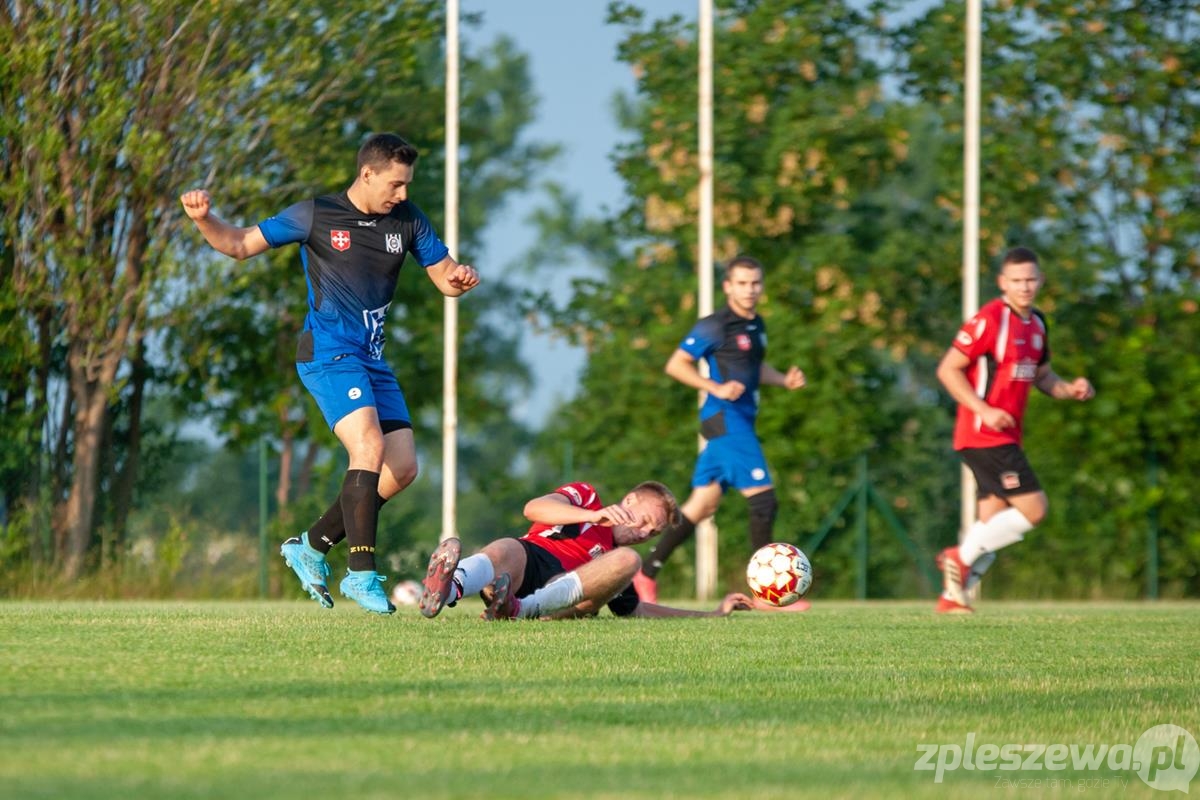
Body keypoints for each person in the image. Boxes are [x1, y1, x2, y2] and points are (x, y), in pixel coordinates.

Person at [180, 133, 480, 614]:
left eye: (407, 184)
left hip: (372, 359)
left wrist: (459, 278)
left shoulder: (408, 219)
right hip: (328, 353)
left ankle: (310, 547)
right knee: (369, 446)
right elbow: (238, 244)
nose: (402, 193)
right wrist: (203, 219)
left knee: (402, 468)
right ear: (367, 174)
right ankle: (361, 573)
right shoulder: (316, 215)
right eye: (395, 184)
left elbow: (444, 276)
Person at [632, 256, 809, 612]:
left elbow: (753, 367)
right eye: (742, 283)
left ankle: (645, 573)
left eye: (755, 283)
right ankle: (766, 596)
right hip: (726, 420)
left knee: (702, 505)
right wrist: (715, 387)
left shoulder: (756, 324)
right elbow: (676, 364)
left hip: (733, 422)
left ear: (761, 285)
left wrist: (783, 380)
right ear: (727, 286)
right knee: (764, 501)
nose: (749, 290)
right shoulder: (715, 325)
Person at [934, 246, 1094, 614]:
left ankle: (953, 596)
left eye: (1030, 280)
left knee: (991, 520)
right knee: (1034, 510)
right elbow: (947, 369)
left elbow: (1043, 377)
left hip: (1005, 436)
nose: (1024, 287)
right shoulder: (989, 320)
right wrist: (984, 410)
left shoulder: (1037, 324)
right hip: (983, 434)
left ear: (1041, 280)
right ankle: (958, 557)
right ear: (1002, 282)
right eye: (1017, 280)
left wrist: (1071, 389)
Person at [418, 481, 754, 621]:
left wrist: (711, 615)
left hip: (559, 597)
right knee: (506, 547)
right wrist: (591, 516)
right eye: (645, 521)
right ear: (630, 500)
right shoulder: (588, 498)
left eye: (654, 532)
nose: (644, 533)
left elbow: (637, 610)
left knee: (628, 560)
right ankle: (450, 587)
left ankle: (518, 609)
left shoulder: (615, 561)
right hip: (527, 562)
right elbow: (534, 508)